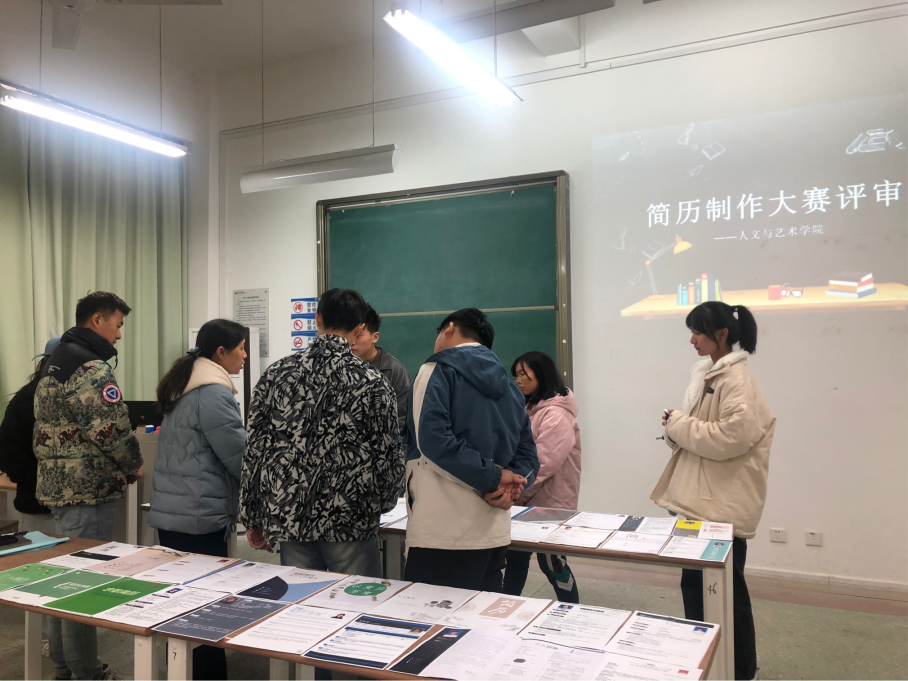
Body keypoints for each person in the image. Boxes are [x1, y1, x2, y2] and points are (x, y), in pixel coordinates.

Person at [240, 288, 404, 579]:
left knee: (303, 599)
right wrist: (382, 504)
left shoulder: (276, 375)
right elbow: (388, 453)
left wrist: (252, 515)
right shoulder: (373, 382)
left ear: (317, 319)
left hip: (291, 516)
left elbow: (255, 450)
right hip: (351, 517)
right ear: (360, 328)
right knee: (355, 600)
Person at [650, 301, 775, 681]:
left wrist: (678, 424)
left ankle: (739, 671)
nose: (692, 340)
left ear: (721, 334)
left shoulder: (737, 380)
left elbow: (729, 439)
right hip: (701, 504)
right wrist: (676, 428)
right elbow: (706, 432)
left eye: (698, 332)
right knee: (697, 587)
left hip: (718, 510)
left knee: (725, 593)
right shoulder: (711, 374)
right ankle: (709, 663)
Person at [35, 291, 143, 681]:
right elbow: (109, 428)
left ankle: (65, 666)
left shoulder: (55, 362)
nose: (119, 335)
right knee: (82, 585)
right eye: (118, 325)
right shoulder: (89, 367)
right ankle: (87, 672)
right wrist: (133, 464)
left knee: (62, 582)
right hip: (87, 489)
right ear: (97, 319)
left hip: (58, 486)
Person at [404, 308, 539, 591]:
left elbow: (432, 441)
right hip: (494, 528)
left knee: (430, 614)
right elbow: (528, 455)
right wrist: (508, 487)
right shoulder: (511, 390)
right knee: (480, 614)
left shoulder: (435, 371)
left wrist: (494, 479)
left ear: (449, 328)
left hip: (441, 528)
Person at [148, 319, 247, 681]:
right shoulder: (214, 393)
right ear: (221, 352)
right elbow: (238, 456)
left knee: (180, 605)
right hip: (200, 515)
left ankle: (182, 672)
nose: (245, 356)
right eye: (241, 348)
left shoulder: (185, 387)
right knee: (206, 609)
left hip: (175, 513)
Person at [502, 351, 582, 603]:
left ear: (541, 374)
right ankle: (505, 605)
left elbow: (544, 463)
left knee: (553, 562)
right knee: (515, 556)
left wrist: (515, 491)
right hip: (527, 499)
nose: (518, 381)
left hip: (550, 502)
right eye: (516, 375)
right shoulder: (532, 407)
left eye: (524, 374)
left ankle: (571, 609)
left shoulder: (556, 414)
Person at [0, 336, 61, 534]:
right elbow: (8, 448)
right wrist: (30, 479)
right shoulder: (29, 399)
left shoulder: (26, 396)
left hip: (38, 498)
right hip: (39, 502)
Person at [351, 305, 411, 433]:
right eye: (349, 335)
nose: (352, 341)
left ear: (375, 337)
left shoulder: (393, 370)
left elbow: (403, 417)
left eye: (358, 336)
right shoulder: (340, 366)